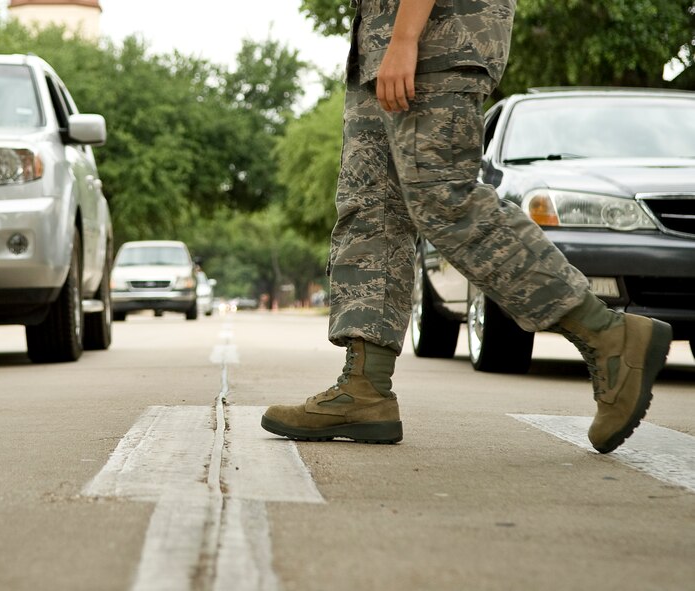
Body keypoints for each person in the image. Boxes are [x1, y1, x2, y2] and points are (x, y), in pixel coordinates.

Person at [260, 0, 673, 454]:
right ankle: (365, 387)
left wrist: (405, 37)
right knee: (372, 211)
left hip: (435, 37)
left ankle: (608, 333)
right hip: (377, 43)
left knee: (445, 199)